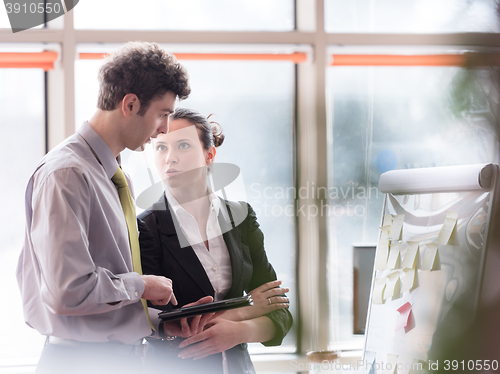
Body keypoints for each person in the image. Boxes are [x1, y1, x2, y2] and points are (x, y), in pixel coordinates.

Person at [16, 42, 191, 374]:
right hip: (81, 362)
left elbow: (102, 301)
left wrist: (160, 321)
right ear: (130, 104)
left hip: (111, 358)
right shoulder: (67, 174)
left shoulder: (110, 173)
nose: (165, 129)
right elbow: (68, 291)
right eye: (163, 114)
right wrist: (143, 285)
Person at [138, 107, 293, 374]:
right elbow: (159, 323)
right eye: (161, 147)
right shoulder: (146, 227)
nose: (170, 158)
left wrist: (240, 331)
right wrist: (247, 309)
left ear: (209, 155)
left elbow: (279, 311)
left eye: (183, 145)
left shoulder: (241, 218)